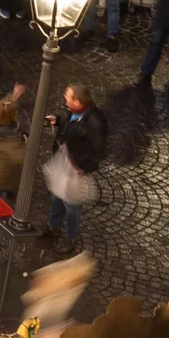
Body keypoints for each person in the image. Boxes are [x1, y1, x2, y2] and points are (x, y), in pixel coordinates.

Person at [46, 85, 106, 241]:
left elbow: (98, 151)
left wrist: (81, 168)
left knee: (71, 205)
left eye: (68, 99)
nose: (65, 101)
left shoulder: (95, 123)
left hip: (75, 169)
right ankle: (53, 227)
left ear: (78, 101)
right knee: (57, 197)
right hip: (64, 162)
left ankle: (70, 239)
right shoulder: (76, 112)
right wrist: (58, 121)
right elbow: (70, 125)